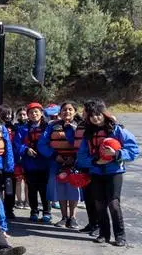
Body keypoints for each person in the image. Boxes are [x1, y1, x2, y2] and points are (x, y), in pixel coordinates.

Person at [76, 100, 139, 246]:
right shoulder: (88, 134)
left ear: (104, 114)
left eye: (98, 114)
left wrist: (116, 153)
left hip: (114, 172)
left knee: (114, 203)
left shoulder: (117, 130)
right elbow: (81, 156)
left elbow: (133, 149)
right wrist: (95, 162)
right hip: (96, 172)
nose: (95, 118)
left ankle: (120, 235)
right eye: (92, 116)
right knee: (99, 204)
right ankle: (104, 234)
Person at [38, 101, 84, 228]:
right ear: (60, 112)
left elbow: (84, 145)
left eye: (70, 109)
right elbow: (42, 144)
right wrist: (54, 155)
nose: (67, 112)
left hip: (74, 163)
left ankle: (73, 217)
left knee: (74, 189)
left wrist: (74, 157)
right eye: (64, 110)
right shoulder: (52, 126)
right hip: (57, 162)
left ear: (75, 111)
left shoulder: (80, 127)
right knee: (61, 189)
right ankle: (64, 217)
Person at [14, 102, 51, 223]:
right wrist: (26, 149)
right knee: (32, 189)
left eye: (36, 112)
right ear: (28, 115)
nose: (34, 114)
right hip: (30, 163)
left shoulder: (48, 128)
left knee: (45, 189)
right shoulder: (22, 129)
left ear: (41, 113)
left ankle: (47, 212)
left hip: (45, 163)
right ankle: (34, 211)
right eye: (31, 112)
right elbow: (17, 144)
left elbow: (53, 143)